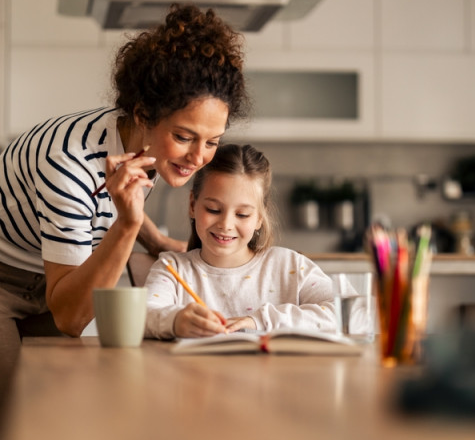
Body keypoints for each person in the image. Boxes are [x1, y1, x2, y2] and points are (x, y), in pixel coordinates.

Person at [0, 4, 249, 438]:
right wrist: (126, 226)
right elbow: (69, 316)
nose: (198, 158)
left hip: (47, 271)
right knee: (10, 425)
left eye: (212, 141)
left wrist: (154, 239)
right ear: (143, 114)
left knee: (67, 407)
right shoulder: (69, 164)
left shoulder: (147, 149)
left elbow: (103, 207)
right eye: (184, 136)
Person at [144, 144, 355, 339]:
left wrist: (260, 321)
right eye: (213, 210)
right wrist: (175, 321)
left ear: (260, 217)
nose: (226, 224)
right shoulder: (172, 269)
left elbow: (353, 312)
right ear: (192, 204)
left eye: (242, 214)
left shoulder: (290, 267)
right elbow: (143, 315)